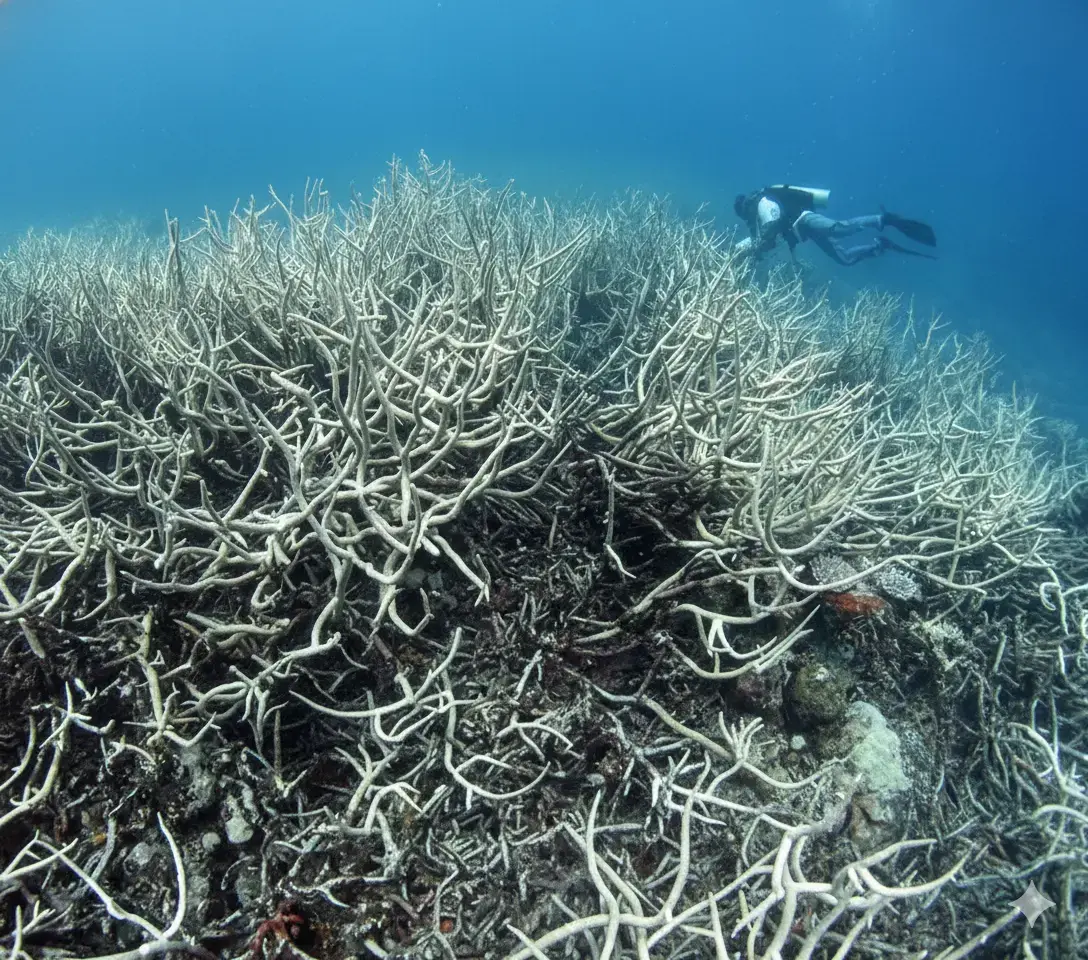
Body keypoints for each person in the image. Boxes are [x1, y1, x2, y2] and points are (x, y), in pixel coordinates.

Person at [733, 184, 937, 266]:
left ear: (745, 207)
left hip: (805, 219)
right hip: (805, 231)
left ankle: (883, 219)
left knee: (840, 229)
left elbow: (773, 223)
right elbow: (766, 236)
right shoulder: (758, 212)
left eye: (744, 215)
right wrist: (743, 250)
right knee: (844, 259)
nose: (748, 219)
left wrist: (757, 245)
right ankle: (878, 246)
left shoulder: (762, 202)